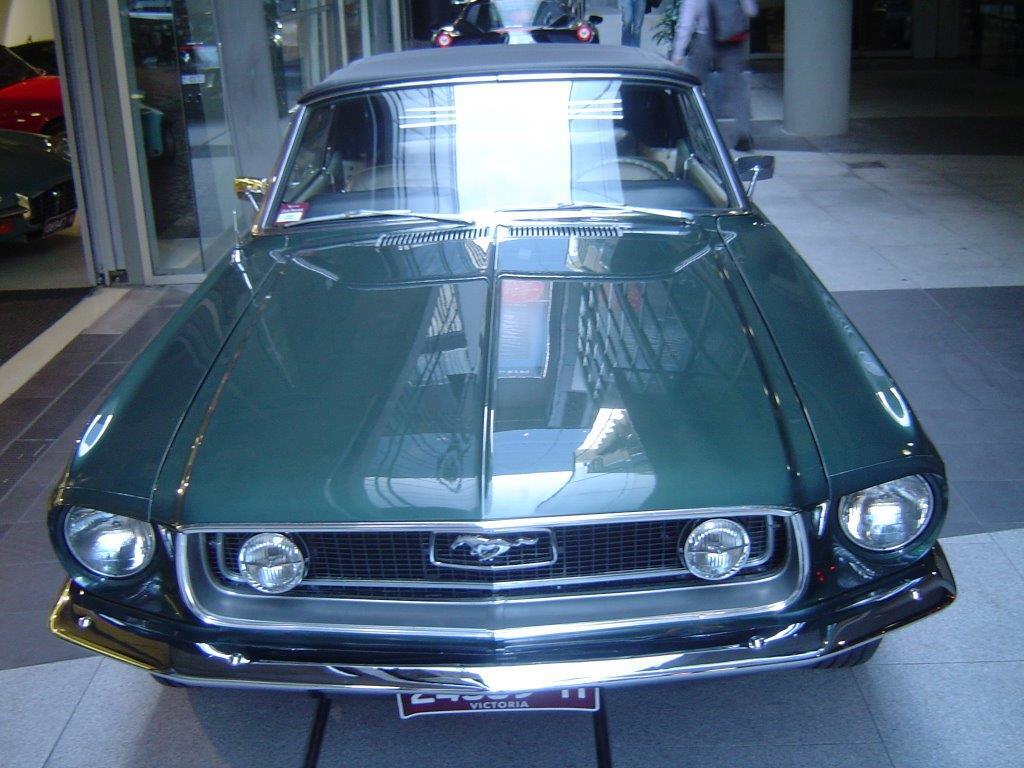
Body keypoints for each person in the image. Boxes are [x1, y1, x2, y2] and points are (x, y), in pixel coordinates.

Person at [671, 0, 759, 152]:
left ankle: (697, 131)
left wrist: (678, 54)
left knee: (696, 85)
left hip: (705, 38)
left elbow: (686, 22)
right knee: (737, 87)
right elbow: (751, 10)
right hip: (732, 39)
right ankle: (745, 134)